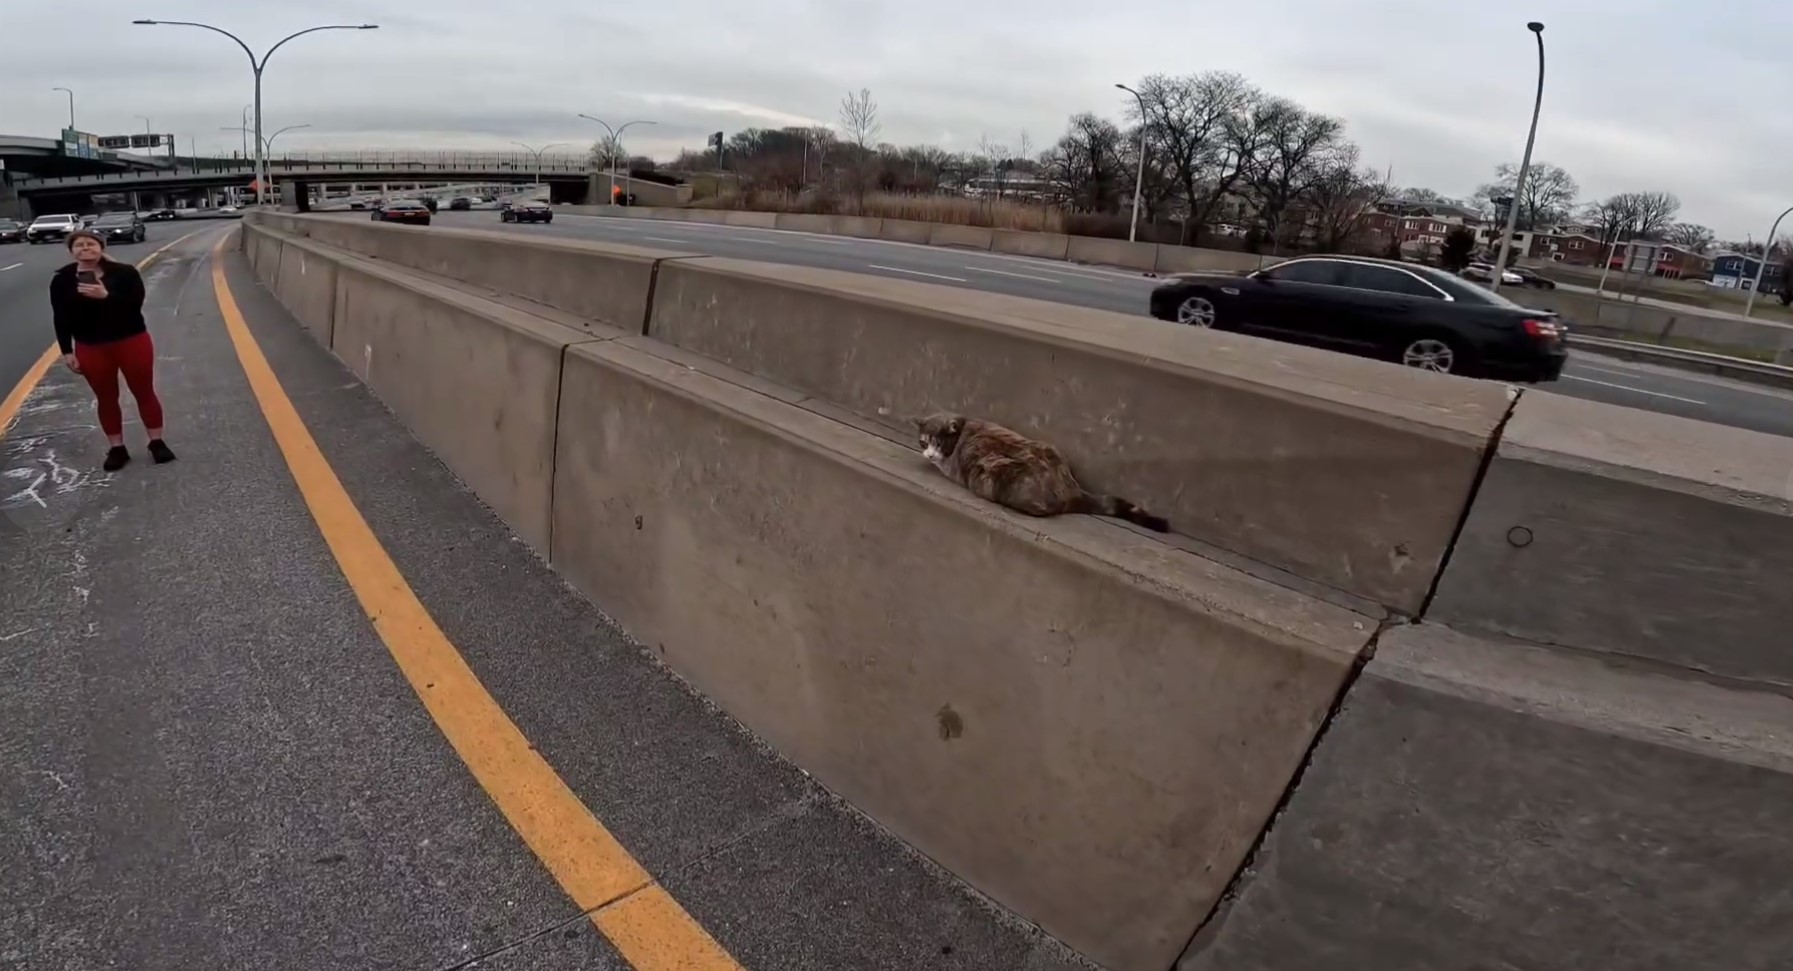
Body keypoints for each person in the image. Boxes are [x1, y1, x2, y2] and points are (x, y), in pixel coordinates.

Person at [48, 228, 176, 472]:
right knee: (106, 398)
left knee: (144, 391)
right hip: (90, 346)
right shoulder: (62, 280)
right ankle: (117, 447)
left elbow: (134, 305)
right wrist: (67, 350)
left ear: (101, 248)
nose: (86, 249)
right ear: (71, 251)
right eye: (80, 245)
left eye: (91, 244)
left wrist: (105, 295)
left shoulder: (125, 273)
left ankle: (156, 442)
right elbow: (60, 317)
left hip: (131, 340)